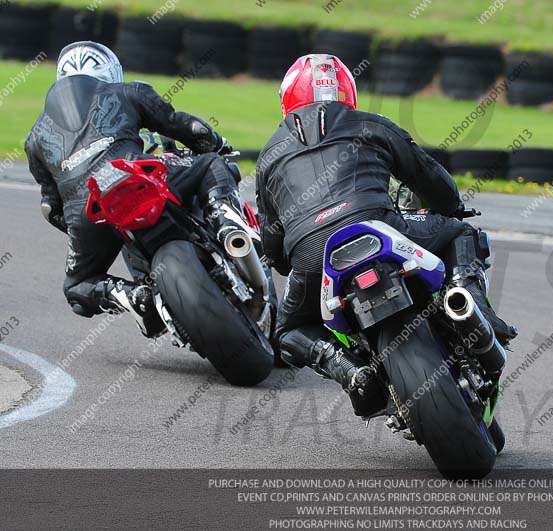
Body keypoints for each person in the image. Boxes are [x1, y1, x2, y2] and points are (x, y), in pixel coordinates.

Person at [256, 54, 517, 416]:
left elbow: (272, 242)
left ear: (288, 99)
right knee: (460, 233)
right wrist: (450, 207)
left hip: (313, 252)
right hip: (378, 224)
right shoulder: (371, 123)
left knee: (287, 331)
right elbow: (427, 176)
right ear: (348, 92)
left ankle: (348, 369)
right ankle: (473, 307)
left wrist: (294, 261)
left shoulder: (269, 155)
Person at [25, 41, 245, 337]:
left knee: (77, 287)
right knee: (210, 165)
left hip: (89, 208)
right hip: (134, 173)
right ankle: (227, 225)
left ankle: (132, 297)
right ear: (109, 71)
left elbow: (51, 208)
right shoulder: (127, 90)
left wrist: (87, 229)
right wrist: (217, 145)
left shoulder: (34, 137)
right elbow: (186, 128)